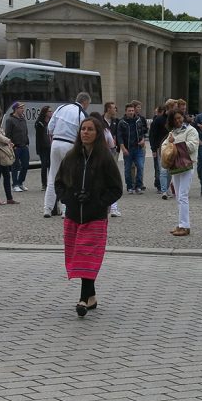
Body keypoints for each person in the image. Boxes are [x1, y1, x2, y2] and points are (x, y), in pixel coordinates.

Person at [55, 117, 124, 317]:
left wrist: (99, 201)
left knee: (87, 255)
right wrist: (68, 197)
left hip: (95, 216)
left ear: (98, 133)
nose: (85, 132)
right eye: (83, 129)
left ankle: (83, 299)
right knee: (79, 257)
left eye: (90, 129)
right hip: (74, 215)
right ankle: (91, 295)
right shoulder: (71, 156)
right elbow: (59, 182)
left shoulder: (105, 158)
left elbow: (116, 189)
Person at [44, 92, 91, 218]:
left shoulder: (61, 108)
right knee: (68, 177)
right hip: (69, 144)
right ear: (85, 102)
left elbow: (50, 127)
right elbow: (82, 133)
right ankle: (66, 209)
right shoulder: (81, 114)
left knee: (52, 176)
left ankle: (47, 208)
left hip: (55, 142)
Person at [163, 105, 199, 236]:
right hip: (175, 166)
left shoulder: (191, 130)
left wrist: (175, 143)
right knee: (178, 196)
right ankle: (181, 223)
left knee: (183, 195)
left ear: (183, 117)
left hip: (187, 165)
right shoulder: (172, 132)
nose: (178, 121)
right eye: (175, 119)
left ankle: (185, 226)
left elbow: (192, 146)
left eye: (180, 118)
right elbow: (164, 145)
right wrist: (170, 145)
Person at [117, 102, 147, 195]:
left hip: (138, 148)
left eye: (132, 110)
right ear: (125, 112)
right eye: (129, 111)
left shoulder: (138, 120)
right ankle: (129, 186)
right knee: (128, 169)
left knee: (140, 167)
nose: (131, 112)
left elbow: (142, 132)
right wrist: (123, 148)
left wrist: (143, 140)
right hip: (128, 149)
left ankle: (138, 186)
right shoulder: (122, 122)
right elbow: (119, 136)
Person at [4, 101, 30, 192]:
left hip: (24, 146)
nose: (23, 110)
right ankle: (15, 184)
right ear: (16, 109)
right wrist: (12, 145)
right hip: (16, 147)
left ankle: (20, 182)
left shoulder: (23, 119)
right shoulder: (10, 120)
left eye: (23, 108)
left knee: (25, 165)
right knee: (15, 166)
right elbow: (8, 134)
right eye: (21, 108)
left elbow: (25, 132)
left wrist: (27, 142)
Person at [34, 105, 52, 190]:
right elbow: (38, 138)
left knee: (51, 165)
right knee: (44, 165)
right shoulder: (40, 123)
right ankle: (44, 184)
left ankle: (51, 183)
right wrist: (38, 149)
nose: (51, 113)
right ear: (45, 113)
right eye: (49, 111)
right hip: (43, 147)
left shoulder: (51, 122)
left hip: (51, 147)